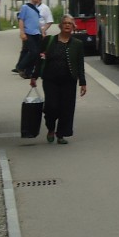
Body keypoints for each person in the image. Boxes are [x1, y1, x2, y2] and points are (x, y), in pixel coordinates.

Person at [30, 16, 88, 144]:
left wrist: (82, 82)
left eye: (70, 24)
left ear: (73, 27)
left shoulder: (77, 44)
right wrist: (34, 75)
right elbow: (40, 59)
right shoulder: (49, 40)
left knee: (66, 108)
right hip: (51, 79)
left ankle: (61, 134)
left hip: (69, 80)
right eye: (65, 23)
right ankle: (51, 128)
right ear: (60, 26)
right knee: (51, 106)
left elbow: (80, 64)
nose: (67, 25)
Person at [13, 0, 45, 78]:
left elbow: (38, 23)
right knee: (33, 52)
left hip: (36, 33)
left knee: (36, 54)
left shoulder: (37, 9)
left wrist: (42, 32)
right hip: (28, 33)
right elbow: (21, 20)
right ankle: (20, 66)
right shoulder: (25, 7)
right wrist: (22, 32)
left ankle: (28, 72)